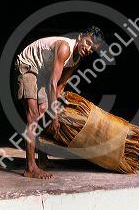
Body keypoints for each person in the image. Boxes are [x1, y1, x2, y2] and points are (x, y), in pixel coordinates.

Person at [14, 26, 104, 179]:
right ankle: (30, 168)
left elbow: (60, 87)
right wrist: (54, 117)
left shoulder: (76, 60)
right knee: (33, 115)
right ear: (81, 36)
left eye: (93, 49)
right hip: (28, 65)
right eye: (88, 42)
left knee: (42, 114)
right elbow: (52, 83)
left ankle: (42, 159)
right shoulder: (64, 48)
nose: (88, 49)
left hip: (42, 72)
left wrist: (53, 110)